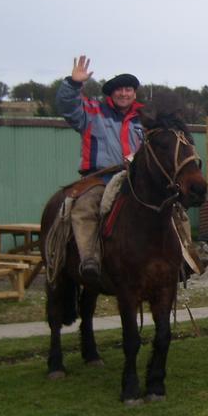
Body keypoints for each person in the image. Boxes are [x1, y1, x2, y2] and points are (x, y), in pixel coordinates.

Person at [56, 55, 143, 281]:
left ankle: (184, 258)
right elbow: (67, 106)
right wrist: (73, 84)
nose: (124, 93)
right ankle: (90, 259)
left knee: (171, 207)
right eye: (119, 90)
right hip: (99, 179)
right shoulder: (92, 112)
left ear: (134, 93)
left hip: (134, 180)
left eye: (128, 89)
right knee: (84, 207)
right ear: (110, 94)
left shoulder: (143, 119)